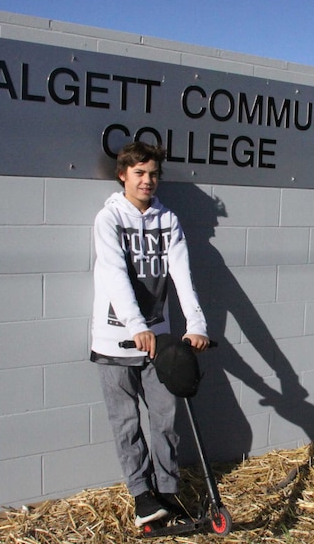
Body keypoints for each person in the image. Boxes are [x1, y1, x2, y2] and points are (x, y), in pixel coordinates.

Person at [90, 141, 210, 527]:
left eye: (153, 174)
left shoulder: (168, 221)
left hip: (159, 343)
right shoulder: (108, 220)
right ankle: (143, 497)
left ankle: (168, 492)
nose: (147, 180)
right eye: (139, 173)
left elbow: (181, 276)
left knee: (165, 419)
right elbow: (113, 273)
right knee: (126, 423)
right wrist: (135, 325)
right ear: (122, 175)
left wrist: (196, 325)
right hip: (114, 340)